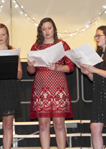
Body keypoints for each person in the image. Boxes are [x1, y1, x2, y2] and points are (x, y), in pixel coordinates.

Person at [27, 17, 74, 149]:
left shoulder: (62, 45)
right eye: (44, 29)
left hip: (58, 85)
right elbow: (31, 71)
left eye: (49, 28)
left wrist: (57, 67)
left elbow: (70, 67)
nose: (47, 31)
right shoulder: (36, 47)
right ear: (40, 31)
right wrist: (30, 65)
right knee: (43, 125)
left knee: (59, 124)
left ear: (54, 29)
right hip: (41, 87)